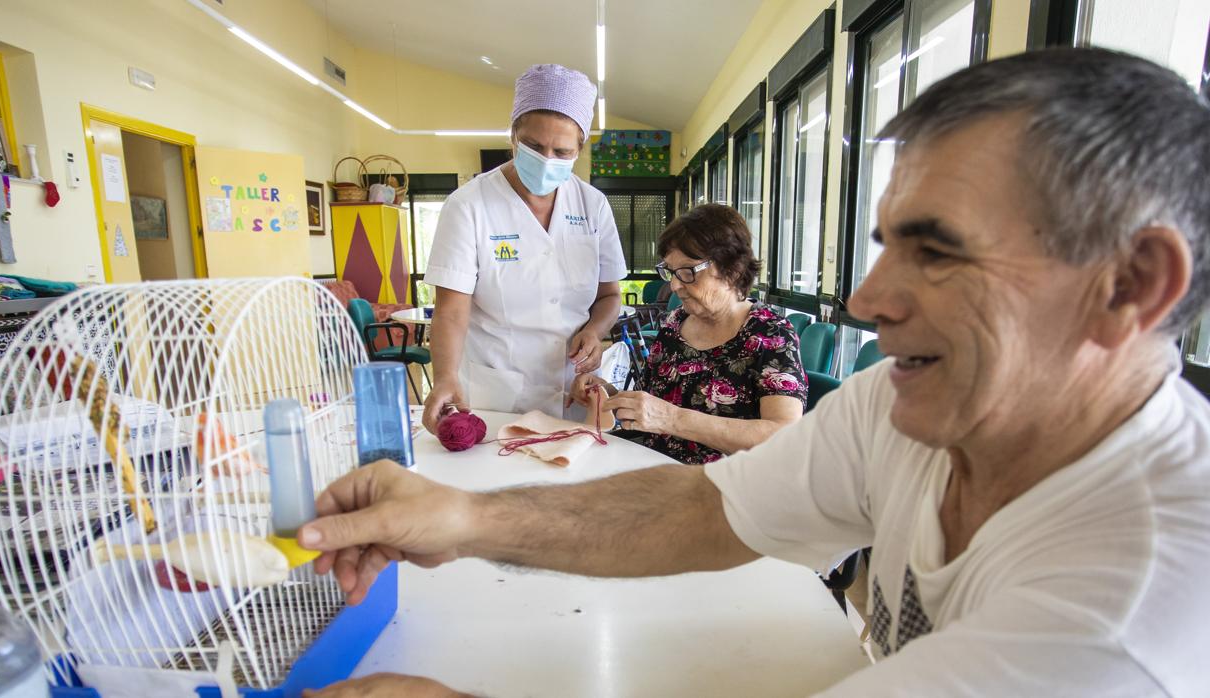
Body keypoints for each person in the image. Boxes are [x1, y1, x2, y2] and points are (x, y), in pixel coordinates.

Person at [298, 48, 1210, 696]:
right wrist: (461, 517)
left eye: (937, 251)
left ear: (1128, 285)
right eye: (885, 242)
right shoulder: (899, 413)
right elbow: (706, 507)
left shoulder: (1130, 618)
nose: (866, 298)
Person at [421, 64, 626, 432]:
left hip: (571, 388)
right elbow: (451, 312)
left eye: (562, 151)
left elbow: (610, 295)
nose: (547, 160)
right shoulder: (468, 205)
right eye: (534, 146)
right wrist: (445, 376)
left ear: (580, 148)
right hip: (497, 391)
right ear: (513, 136)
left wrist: (595, 330)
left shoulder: (592, 205)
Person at [569, 204, 806, 464]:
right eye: (670, 271)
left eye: (688, 272)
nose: (674, 285)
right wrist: (608, 394)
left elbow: (784, 435)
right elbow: (651, 406)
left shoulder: (770, 334)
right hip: (654, 471)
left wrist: (673, 419)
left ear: (733, 269)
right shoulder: (675, 324)